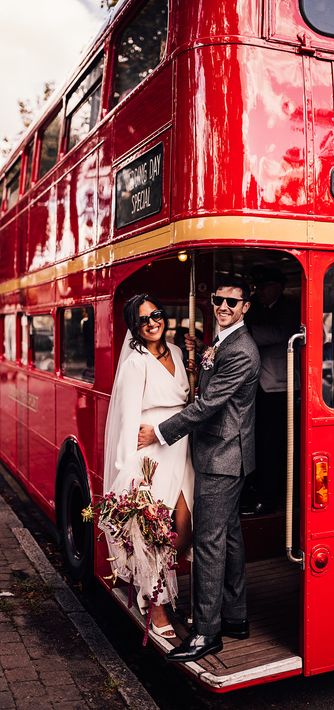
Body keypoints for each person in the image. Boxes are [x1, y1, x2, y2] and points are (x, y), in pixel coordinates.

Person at [138, 276, 261, 662]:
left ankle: (207, 633)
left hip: (221, 457)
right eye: (218, 300)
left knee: (209, 543)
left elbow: (208, 405)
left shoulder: (242, 349)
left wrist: (160, 431)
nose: (223, 307)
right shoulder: (224, 341)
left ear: (245, 308)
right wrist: (202, 356)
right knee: (230, 538)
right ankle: (236, 617)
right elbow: (211, 380)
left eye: (231, 302)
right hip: (227, 453)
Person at [103, 294, 193, 639]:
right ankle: (154, 604)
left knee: (183, 528)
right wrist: (126, 473)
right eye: (143, 319)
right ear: (134, 327)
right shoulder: (134, 363)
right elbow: (126, 421)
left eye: (156, 314)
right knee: (153, 534)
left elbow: (186, 398)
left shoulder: (179, 351)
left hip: (180, 448)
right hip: (150, 455)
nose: (152, 322)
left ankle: (164, 591)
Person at [243, 266, 299, 515]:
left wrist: (243, 333)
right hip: (258, 387)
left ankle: (272, 497)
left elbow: (280, 333)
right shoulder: (255, 306)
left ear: (279, 286)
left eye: (264, 286)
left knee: (275, 445)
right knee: (257, 442)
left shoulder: (290, 307)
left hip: (280, 387)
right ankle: (258, 489)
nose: (260, 292)